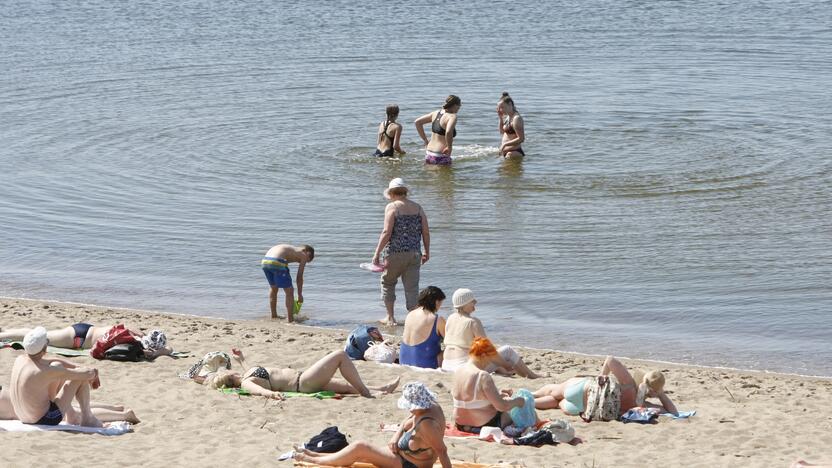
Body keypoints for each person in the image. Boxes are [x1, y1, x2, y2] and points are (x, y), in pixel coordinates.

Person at [294, 382, 452, 468]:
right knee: (358, 454)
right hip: (404, 455)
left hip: (410, 465)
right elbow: (407, 421)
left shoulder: (427, 425)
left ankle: (315, 460)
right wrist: (395, 436)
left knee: (360, 447)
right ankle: (315, 454)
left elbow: (442, 451)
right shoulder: (430, 406)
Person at [194, 348, 399, 399]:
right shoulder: (247, 382)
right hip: (303, 383)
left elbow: (250, 368)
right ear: (230, 377)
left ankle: (381, 389)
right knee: (340, 356)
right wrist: (271, 394)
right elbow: (258, 390)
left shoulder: (247, 373)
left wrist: (241, 357)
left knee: (346, 387)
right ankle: (366, 392)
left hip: (305, 380)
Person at [8, 327, 102, 426]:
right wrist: (94, 373)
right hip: (45, 419)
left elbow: (53, 360)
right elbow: (85, 374)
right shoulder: (44, 371)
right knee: (79, 377)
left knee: (57, 364)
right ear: (44, 349)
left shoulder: (20, 359)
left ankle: (72, 415)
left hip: (23, 417)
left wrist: (78, 366)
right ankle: (87, 417)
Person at [440, 289, 540, 378]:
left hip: (447, 365)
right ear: (464, 304)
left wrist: (500, 365)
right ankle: (533, 376)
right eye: (472, 301)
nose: (475, 302)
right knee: (508, 350)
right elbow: (488, 351)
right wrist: (506, 365)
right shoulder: (473, 322)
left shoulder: (450, 318)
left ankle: (509, 371)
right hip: (464, 368)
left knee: (490, 356)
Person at [532, 355, 678, 416]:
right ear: (653, 392)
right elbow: (673, 412)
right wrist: (660, 393)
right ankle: (530, 402)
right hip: (582, 408)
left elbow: (610, 359)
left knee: (555, 389)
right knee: (556, 403)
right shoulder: (642, 406)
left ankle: (530, 395)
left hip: (584, 388)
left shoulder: (629, 385)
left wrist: (603, 376)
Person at [371, 178, 430, 325]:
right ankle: (414, 320)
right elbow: (426, 232)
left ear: (391, 193)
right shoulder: (418, 208)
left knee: (388, 283)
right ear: (405, 192)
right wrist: (426, 251)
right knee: (412, 287)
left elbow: (386, 232)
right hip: (414, 253)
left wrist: (376, 253)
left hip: (395, 253)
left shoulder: (392, 207)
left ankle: (390, 318)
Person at [451, 337, 526, 433]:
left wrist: (498, 394)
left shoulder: (458, 371)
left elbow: (468, 396)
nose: (490, 363)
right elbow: (502, 406)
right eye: (489, 359)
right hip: (483, 424)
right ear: (483, 356)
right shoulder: (482, 375)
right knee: (511, 410)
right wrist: (518, 402)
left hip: (460, 424)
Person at [0, 324, 173, 359]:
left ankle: (6, 332)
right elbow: (168, 350)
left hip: (84, 329)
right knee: (39, 336)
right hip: (77, 340)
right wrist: (161, 351)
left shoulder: (131, 331)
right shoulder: (136, 346)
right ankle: (3, 335)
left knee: (42, 334)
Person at [0, 386, 140, 423]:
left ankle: (123, 415)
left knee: (75, 415)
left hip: (27, 408)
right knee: (72, 405)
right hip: (26, 396)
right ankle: (115, 408)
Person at [261, 244, 315, 321]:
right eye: (307, 261)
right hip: (277, 261)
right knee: (289, 291)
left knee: (274, 288)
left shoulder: (291, 249)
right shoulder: (303, 254)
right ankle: (290, 319)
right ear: (308, 253)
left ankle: (274, 315)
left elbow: (282, 260)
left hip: (265, 261)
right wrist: (300, 295)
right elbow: (299, 277)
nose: (301, 262)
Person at [399, 287, 446, 369]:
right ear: (436, 302)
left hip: (403, 360)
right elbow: (452, 341)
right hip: (424, 364)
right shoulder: (437, 319)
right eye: (441, 302)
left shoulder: (410, 314)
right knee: (454, 349)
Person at [414, 95, 461, 166]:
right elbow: (448, 132)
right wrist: (449, 147)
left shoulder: (436, 113)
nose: (459, 108)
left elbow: (417, 122)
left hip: (428, 153)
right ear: (454, 105)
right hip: (440, 155)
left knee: (431, 176)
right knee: (446, 177)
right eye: (459, 105)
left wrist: (425, 140)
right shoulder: (452, 116)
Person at [497, 92, 525, 158]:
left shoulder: (517, 118)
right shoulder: (508, 117)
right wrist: (500, 118)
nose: (501, 110)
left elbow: (521, 139)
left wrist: (505, 144)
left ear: (510, 104)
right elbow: (502, 132)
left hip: (514, 152)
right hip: (506, 152)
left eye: (502, 107)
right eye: (499, 108)